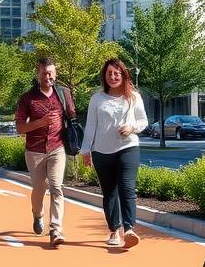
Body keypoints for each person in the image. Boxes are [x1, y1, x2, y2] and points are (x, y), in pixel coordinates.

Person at [81, 58, 148, 249]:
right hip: (102, 152)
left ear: (123, 74)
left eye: (116, 73)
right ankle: (114, 231)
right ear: (105, 75)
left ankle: (129, 229)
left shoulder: (133, 97)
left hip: (128, 147)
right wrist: (86, 150)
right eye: (109, 73)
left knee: (127, 188)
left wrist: (131, 127)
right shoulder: (97, 99)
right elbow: (91, 126)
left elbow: (143, 121)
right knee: (109, 192)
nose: (113, 76)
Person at [15, 57, 76, 248]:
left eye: (50, 73)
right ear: (38, 74)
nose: (47, 76)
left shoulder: (64, 94)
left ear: (55, 74)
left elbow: (72, 117)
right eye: (44, 73)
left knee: (57, 187)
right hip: (34, 151)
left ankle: (56, 229)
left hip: (57, 148)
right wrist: (40, 123)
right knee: (39, 189)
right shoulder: (27, 98)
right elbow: (19, 127)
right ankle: (37, 214)